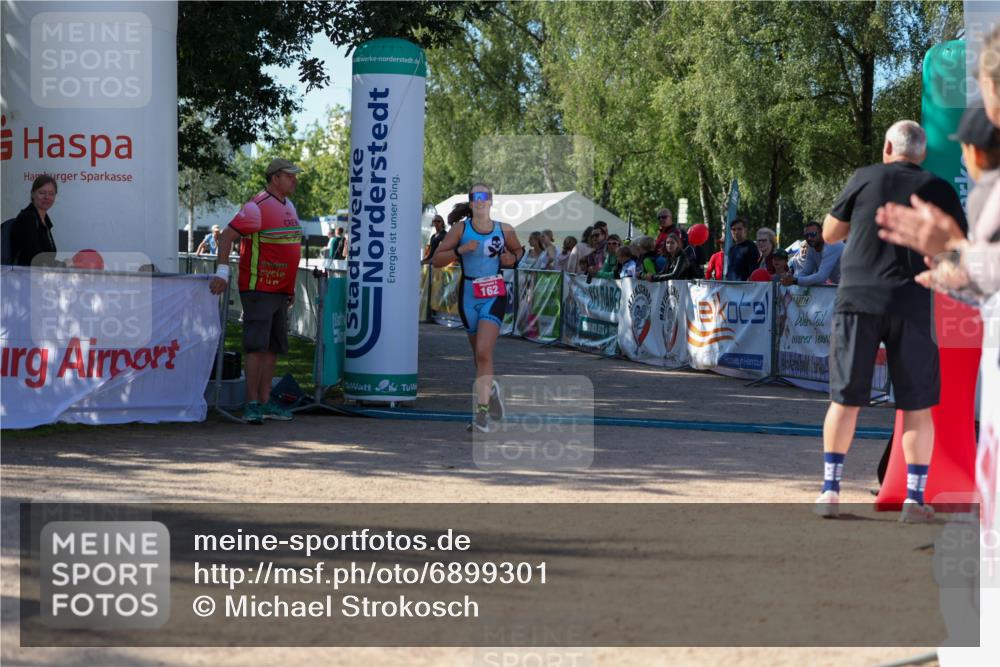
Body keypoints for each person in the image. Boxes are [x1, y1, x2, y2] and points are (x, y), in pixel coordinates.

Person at [812, 120, 967, 522]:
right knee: (917, 407)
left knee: (845, 400)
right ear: (922, 154)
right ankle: (914, 500)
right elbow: (957, 250)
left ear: (887, 147)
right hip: (914, 301)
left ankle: (830, 491)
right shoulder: (939, 189)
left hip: (858, 299)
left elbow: (829, 234)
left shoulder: (864, 177)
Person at [209, 158, 304, 425]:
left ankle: (265, 402)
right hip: (259, 287)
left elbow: (289, 247)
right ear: (275, 178)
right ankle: (251, 403)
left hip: (280, 290)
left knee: (272, 348)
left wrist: (290, 286)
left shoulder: (291, 206)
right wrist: (222, 273)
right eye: (289, 176)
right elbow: (227, 236)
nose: (294, 180)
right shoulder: (257, 206)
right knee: (256, 347)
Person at [432, 183, 524, 433]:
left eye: (486, 197)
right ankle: (491, 392)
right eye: (477, 197)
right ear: (471, 203)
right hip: (469, 295)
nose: (482, 201)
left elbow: (519, 250)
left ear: (491, 202)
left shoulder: (503, 229)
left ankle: (482, 414)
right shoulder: (461, 230)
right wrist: (460, 250)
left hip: (494, 293)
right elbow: (436, 260)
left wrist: (512, 259)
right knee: (478, 356)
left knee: (484, 352)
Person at [10, 174, 59, 267]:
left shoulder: (45, 221)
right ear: (32, 194)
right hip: (24, 278)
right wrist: (63, 264)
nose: (47, 197)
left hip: (38, 276)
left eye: (51, 193)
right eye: (42, 192)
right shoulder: (27, 218)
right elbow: (36, 258)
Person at [783, 221, 843, 286]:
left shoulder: (832, 245)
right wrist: (790, 279)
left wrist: (795, 280)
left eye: (813, 234)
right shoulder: (812, 248)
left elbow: (821, 277)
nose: (809, 238)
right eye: (806, 235)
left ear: (821, 234)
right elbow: (805, 272)